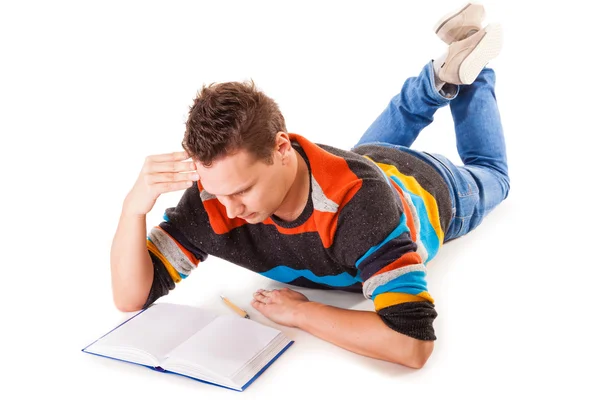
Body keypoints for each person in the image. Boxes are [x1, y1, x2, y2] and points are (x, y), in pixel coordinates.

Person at [110, 2, 509, 369]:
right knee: (368, 154)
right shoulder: (212, 197)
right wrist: (133, 208)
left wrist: (302, 313)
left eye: (243, 191)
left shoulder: (358, 208)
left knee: (493, 173)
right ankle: (438, 77)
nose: (229, 210)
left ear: (282, 147)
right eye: (217, 192)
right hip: (365, 162)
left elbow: (412, 344)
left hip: (435, 188)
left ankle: (471, 65)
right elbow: (131, 297)